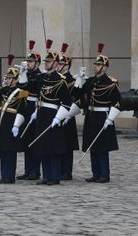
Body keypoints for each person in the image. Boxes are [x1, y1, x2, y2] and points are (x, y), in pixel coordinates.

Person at [19, 39, 71, 186]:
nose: (46, 64)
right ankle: (47, 175)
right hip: (41, 114)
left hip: (53, 115)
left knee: (53, 147)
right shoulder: (41, 78)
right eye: (46, 62)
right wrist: (22, 74)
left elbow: (67, 102)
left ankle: (54, 176)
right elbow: (26, 87)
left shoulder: (60, 80)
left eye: (49, 62)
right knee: (43, 146)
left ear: (55, 64)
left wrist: (58, 118)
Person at [73, 43, 121, 183]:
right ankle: (96, 173)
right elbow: (77, 94)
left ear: (104, 67)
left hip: (103, 116)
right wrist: (79, 80)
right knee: (92, 145)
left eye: (98, 65)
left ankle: (104, 174)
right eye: (95, 64)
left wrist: (110, 118)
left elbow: (117, 102)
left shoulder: (111, 83)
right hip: (91, 115)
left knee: (102, 146)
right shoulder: (90, 81)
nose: (95, 67)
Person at [0, 54, 27, 183]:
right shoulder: (4, 90)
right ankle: (4, 175)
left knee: (10, 150)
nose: (7, 80)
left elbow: (22, 110)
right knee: (3, 149)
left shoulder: (20, 92)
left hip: (12, 121)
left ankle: (10, 176)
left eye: (10, 78)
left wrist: (16, 125)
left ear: (15, 79)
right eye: (7, 78)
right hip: (3, 121)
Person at [15, 40, 42, 180]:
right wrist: (22, 73)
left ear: (37, 63)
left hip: (35, 107)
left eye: (31, 62)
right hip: (26, 107)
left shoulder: (39, 76)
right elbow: (20, 87)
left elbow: (29, 87)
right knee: (26, 140)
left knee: (33, 140)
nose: (29, 63)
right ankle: (27, 170)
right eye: (28, 61)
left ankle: (35, 170)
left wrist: (23, 75)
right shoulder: (28, 74)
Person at [56, 43, 80, 181]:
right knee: (58, 143)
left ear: (66, 66)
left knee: (67, 143)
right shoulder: (57, 79)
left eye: (61, 64)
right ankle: (59, 169)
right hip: (57, 113)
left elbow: (75, 98)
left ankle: (66, 171)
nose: (58, 66)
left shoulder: (71, 80)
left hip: (68, 113)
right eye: (58, 63)